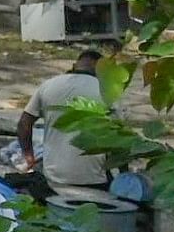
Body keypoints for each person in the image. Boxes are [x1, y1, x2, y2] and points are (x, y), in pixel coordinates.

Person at [21, 46, 116, 191]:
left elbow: (24, 124)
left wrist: (29, 157)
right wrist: (125, 176)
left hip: (53, 178)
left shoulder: (49, 85)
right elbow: (120, 140)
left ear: (73, 66)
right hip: (95, 181)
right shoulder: (109, 92)